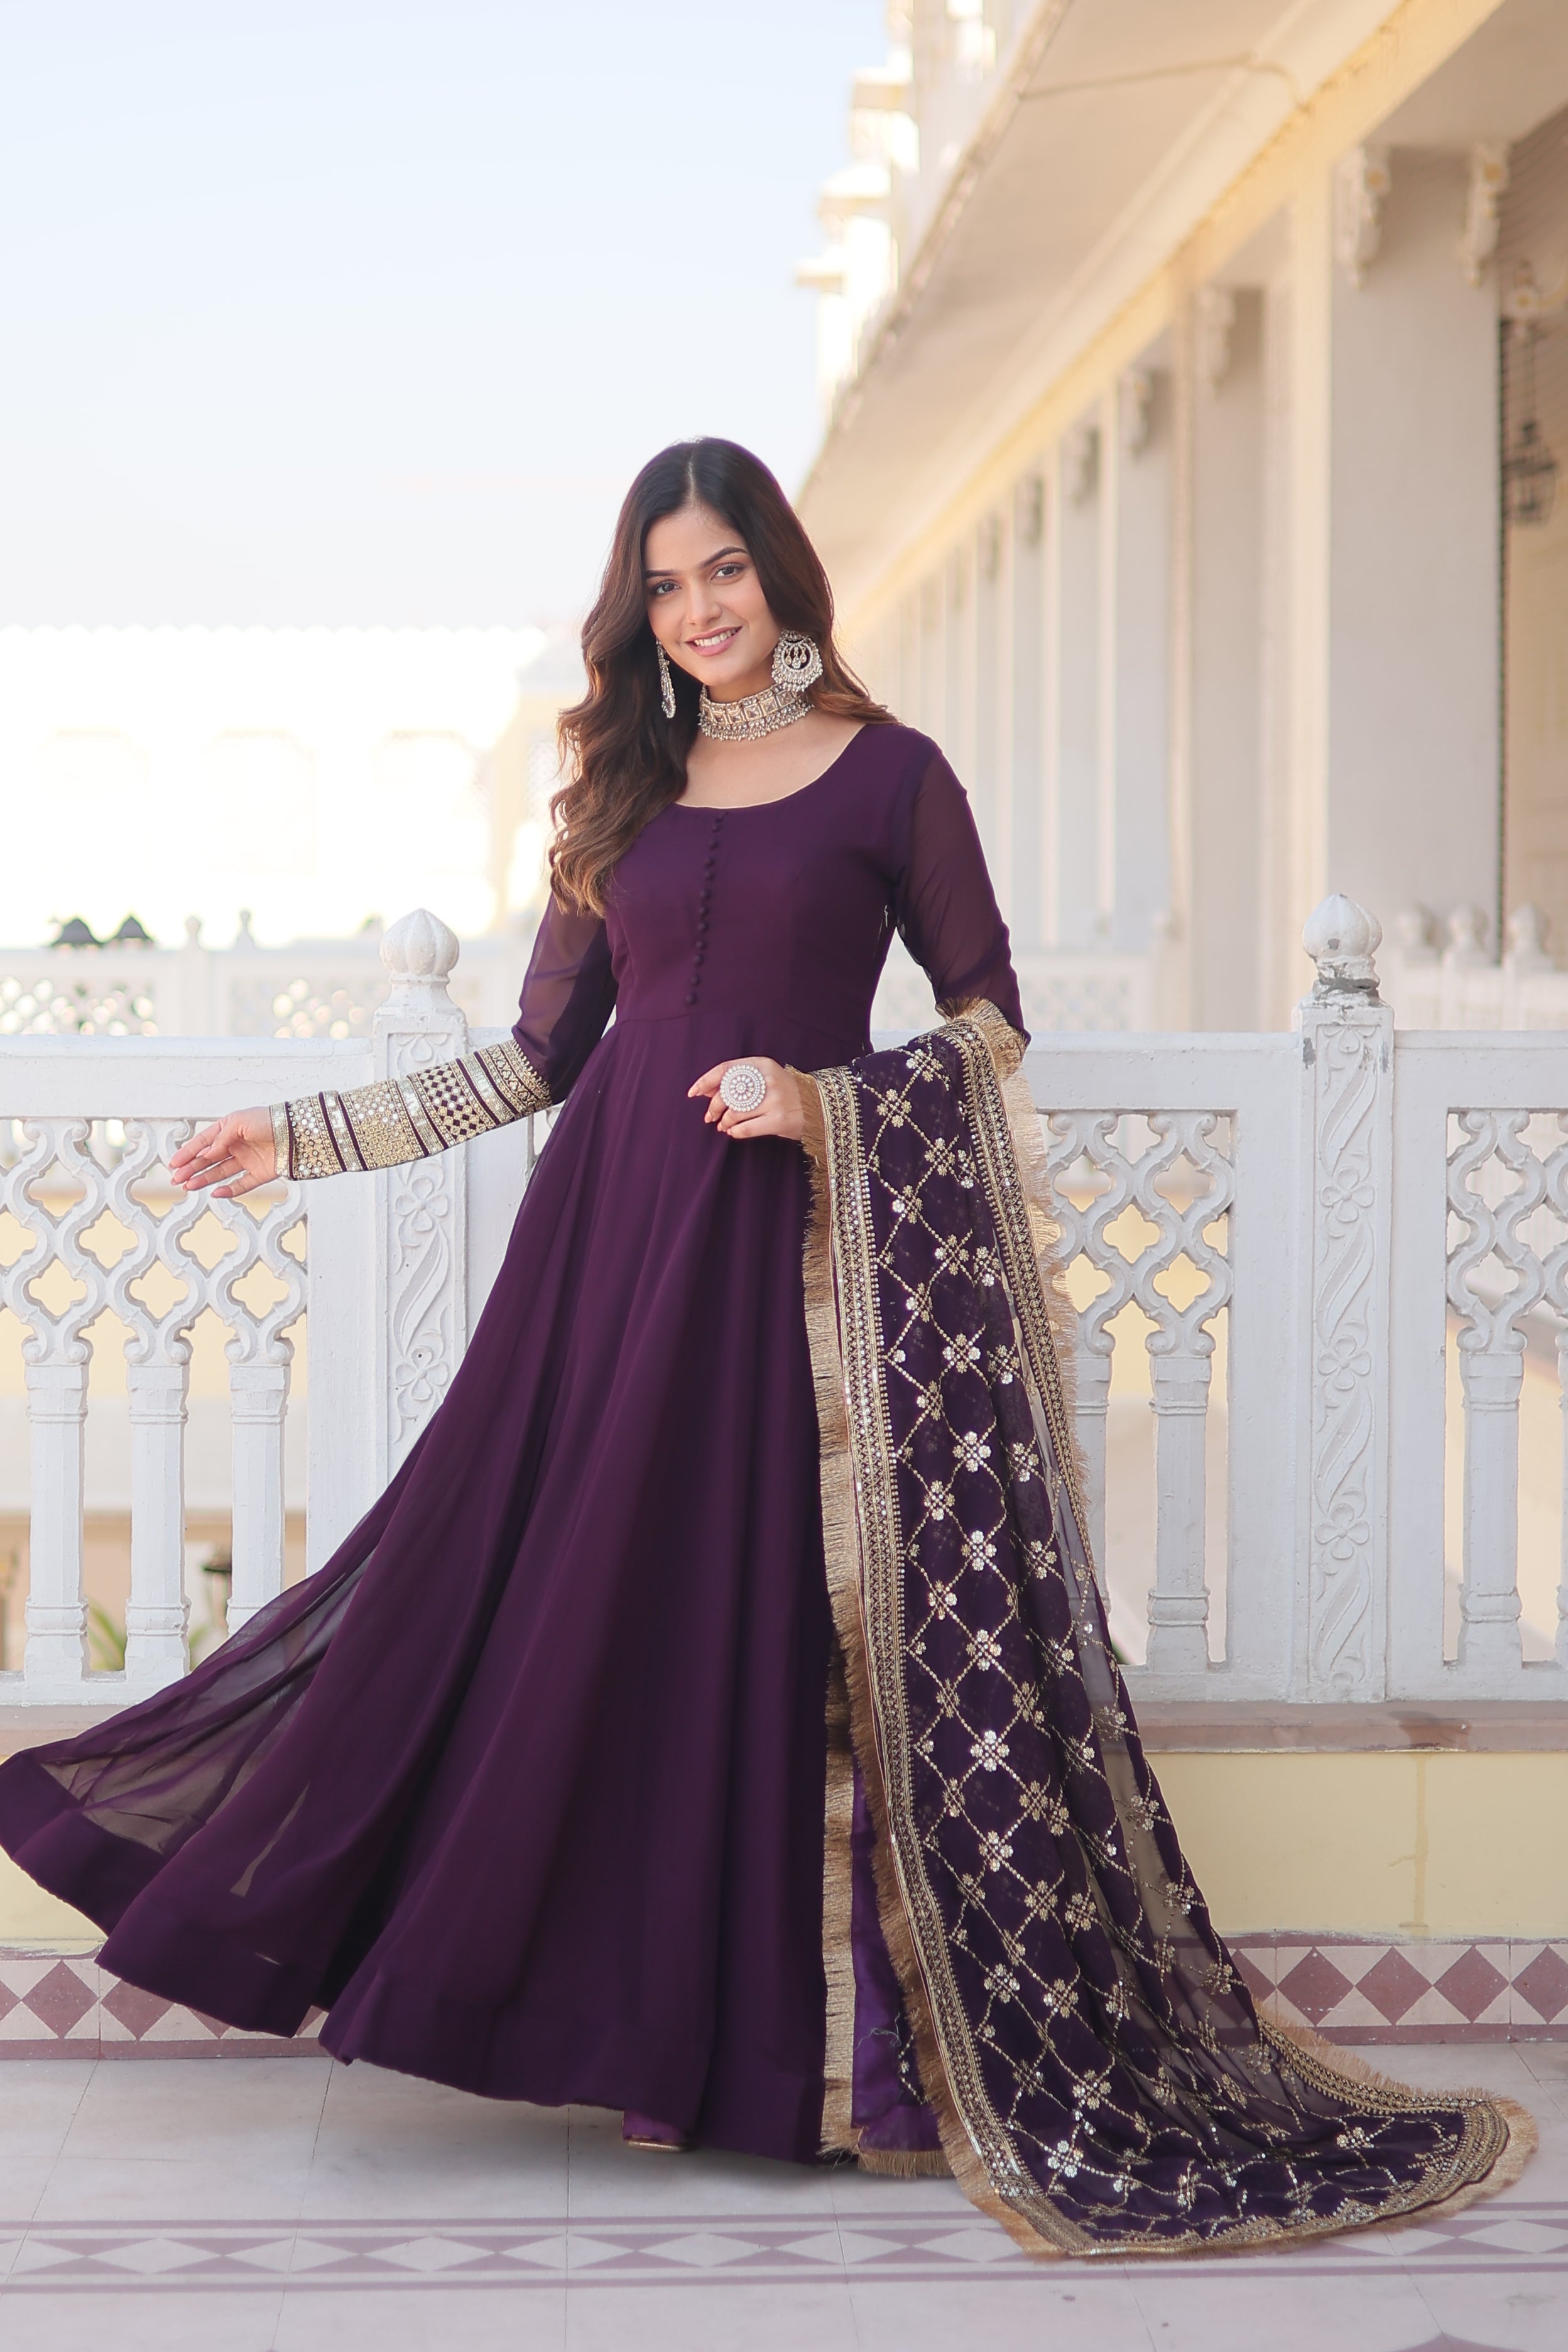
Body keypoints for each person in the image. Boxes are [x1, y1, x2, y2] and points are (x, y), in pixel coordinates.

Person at [0, 440, 1529, 2256]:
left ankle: (803, 2071)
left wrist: (826, 1100)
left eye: (723, 570)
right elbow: (535, 1062)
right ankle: (631, 2029)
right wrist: (302, 1137)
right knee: (553, 1616)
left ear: (783, 575)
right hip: (609, 1252)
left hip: (799, 1264)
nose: (701, 609)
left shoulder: (892, 776)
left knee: (767, 1632)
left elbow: (991, 1030)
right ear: (636, 612)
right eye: (664, 586)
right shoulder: (620, 791)